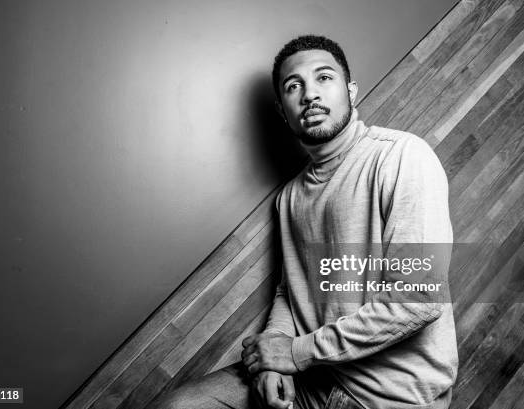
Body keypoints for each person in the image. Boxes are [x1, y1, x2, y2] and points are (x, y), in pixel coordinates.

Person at [154, 34, 457, 409]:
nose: (310, 94)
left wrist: (295, 353)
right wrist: (272, 358)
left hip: (390, 397)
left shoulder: (402, 157)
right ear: (283, 110)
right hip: (312, 378)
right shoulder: (290, 199)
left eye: (324, 78)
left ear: (351, 91)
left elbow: (419, 299)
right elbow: (290, 291)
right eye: (294, 86)